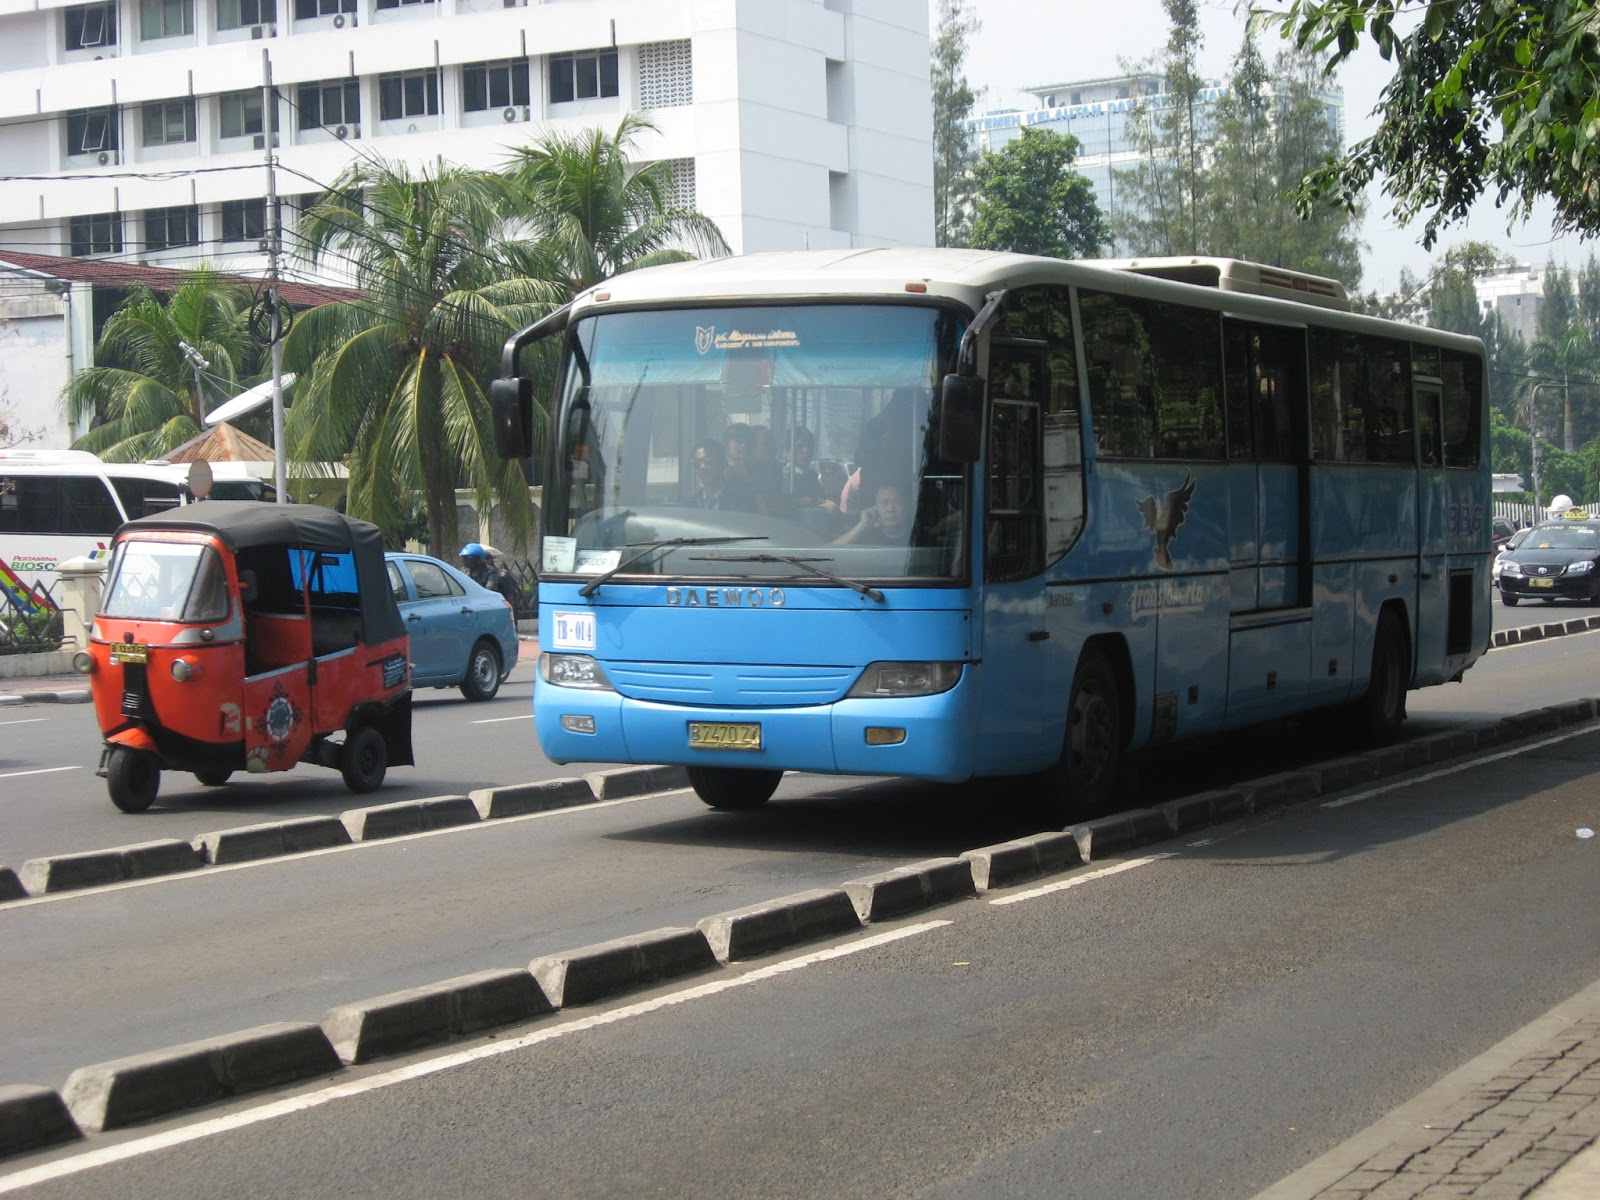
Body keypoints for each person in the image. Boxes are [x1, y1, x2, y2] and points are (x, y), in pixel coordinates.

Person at [834, 479, 914, 545]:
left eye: (898, 502)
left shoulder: (921, 538)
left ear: (908, 507)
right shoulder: (865, 537)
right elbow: (831, 554)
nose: (890, 509)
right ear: (875, 508)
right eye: (884, 502)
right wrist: (862, 525)